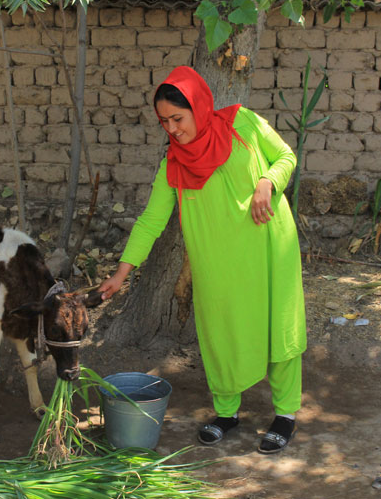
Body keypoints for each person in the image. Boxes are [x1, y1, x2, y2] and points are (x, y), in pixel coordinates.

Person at [98, 66, 306, 454]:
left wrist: (267, 181)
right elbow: (151, 221)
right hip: (218, 264)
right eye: (164, 122)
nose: (172, 129)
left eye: (178, 118)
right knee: (219, 333)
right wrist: (121, 273)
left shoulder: (243, 124)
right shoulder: (173, 165)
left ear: (199, 106)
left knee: (278, 329)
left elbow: (285, 156)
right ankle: (226, 413)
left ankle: (286, 416)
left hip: (269, 247)